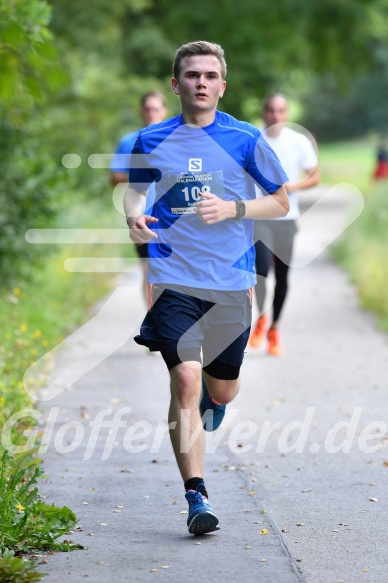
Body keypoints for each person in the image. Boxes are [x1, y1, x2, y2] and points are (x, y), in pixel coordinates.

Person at [124, 41, 289, 535]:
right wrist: (134, 215)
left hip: (232, 285)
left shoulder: (245, 138)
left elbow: (279, 202)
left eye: (210, 75)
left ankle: (215, 405)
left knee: (221, 388)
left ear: (222, 85)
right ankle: (196, 496)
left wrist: (234, 209)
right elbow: (134, 188)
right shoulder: (150, 138)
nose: (201, 82)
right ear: (176, 84)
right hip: (174, 280)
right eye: (191, 75)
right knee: (185, 382)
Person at [249, 93, 319, 356]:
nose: (275, 116)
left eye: (280, 111)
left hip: (287, 217)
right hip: (261, 216)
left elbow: (314, 176)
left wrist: (291, 186)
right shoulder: (253, 139)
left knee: (283, 276)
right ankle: (262, 317)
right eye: (270, 110)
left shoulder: (298, 141)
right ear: (263, 112)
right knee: (261, 272)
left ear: (287, 114)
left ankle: (274, 328)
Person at [110, 92, 167, 303]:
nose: (151, 113)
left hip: (173, 215)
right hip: (143, 216)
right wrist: (145, 172)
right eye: (148, 109)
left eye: (156, 109)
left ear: (164, 111)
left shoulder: (177, 137)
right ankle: (153, 322)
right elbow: (115, 177)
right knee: (149, 271)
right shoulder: (129, 141)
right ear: (141, 111)